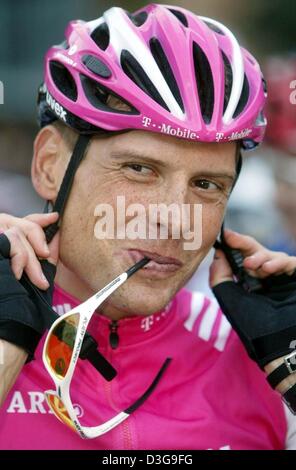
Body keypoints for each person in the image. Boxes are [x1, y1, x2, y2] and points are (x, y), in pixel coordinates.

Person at [0, 4, 296, 450]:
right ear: (49, 166)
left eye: (205, 184)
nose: (175, 218)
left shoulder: (267, 364)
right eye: (139, 169)